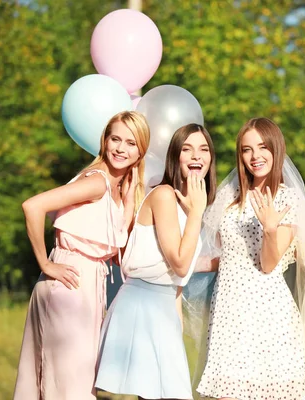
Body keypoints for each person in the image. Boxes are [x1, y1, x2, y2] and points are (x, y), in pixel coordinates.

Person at [13, 111, 149, 400]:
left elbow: (119, 234)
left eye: (131, 143)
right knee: (68, 388)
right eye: (116, 139)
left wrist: (130, 190)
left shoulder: (114, 186)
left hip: (86, 284)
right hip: (70, 283)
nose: (121, 149)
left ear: (141, 151)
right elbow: (33, 206)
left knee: (68, 384)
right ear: (105, 140)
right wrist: (45, 262)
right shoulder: (97, 182)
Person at [196, 117, 305, 399]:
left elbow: (268, 264)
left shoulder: (287, 199)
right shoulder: (230, 194)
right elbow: (221, 252)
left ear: (276, 150)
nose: (255, 156)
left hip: (266, 311)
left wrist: (270, 229)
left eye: (262, 147)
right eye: (247, 149)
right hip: (229, 308)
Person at [95, 123, 217, 400]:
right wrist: (196, 213)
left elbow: (177, 279)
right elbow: (179, 263)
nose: (196, 156)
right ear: (175, 157)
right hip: (142, 303)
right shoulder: (164, 195)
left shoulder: (191, 205)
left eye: (203, 149)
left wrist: (176, 324)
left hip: (163, 307)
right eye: (187, 149)